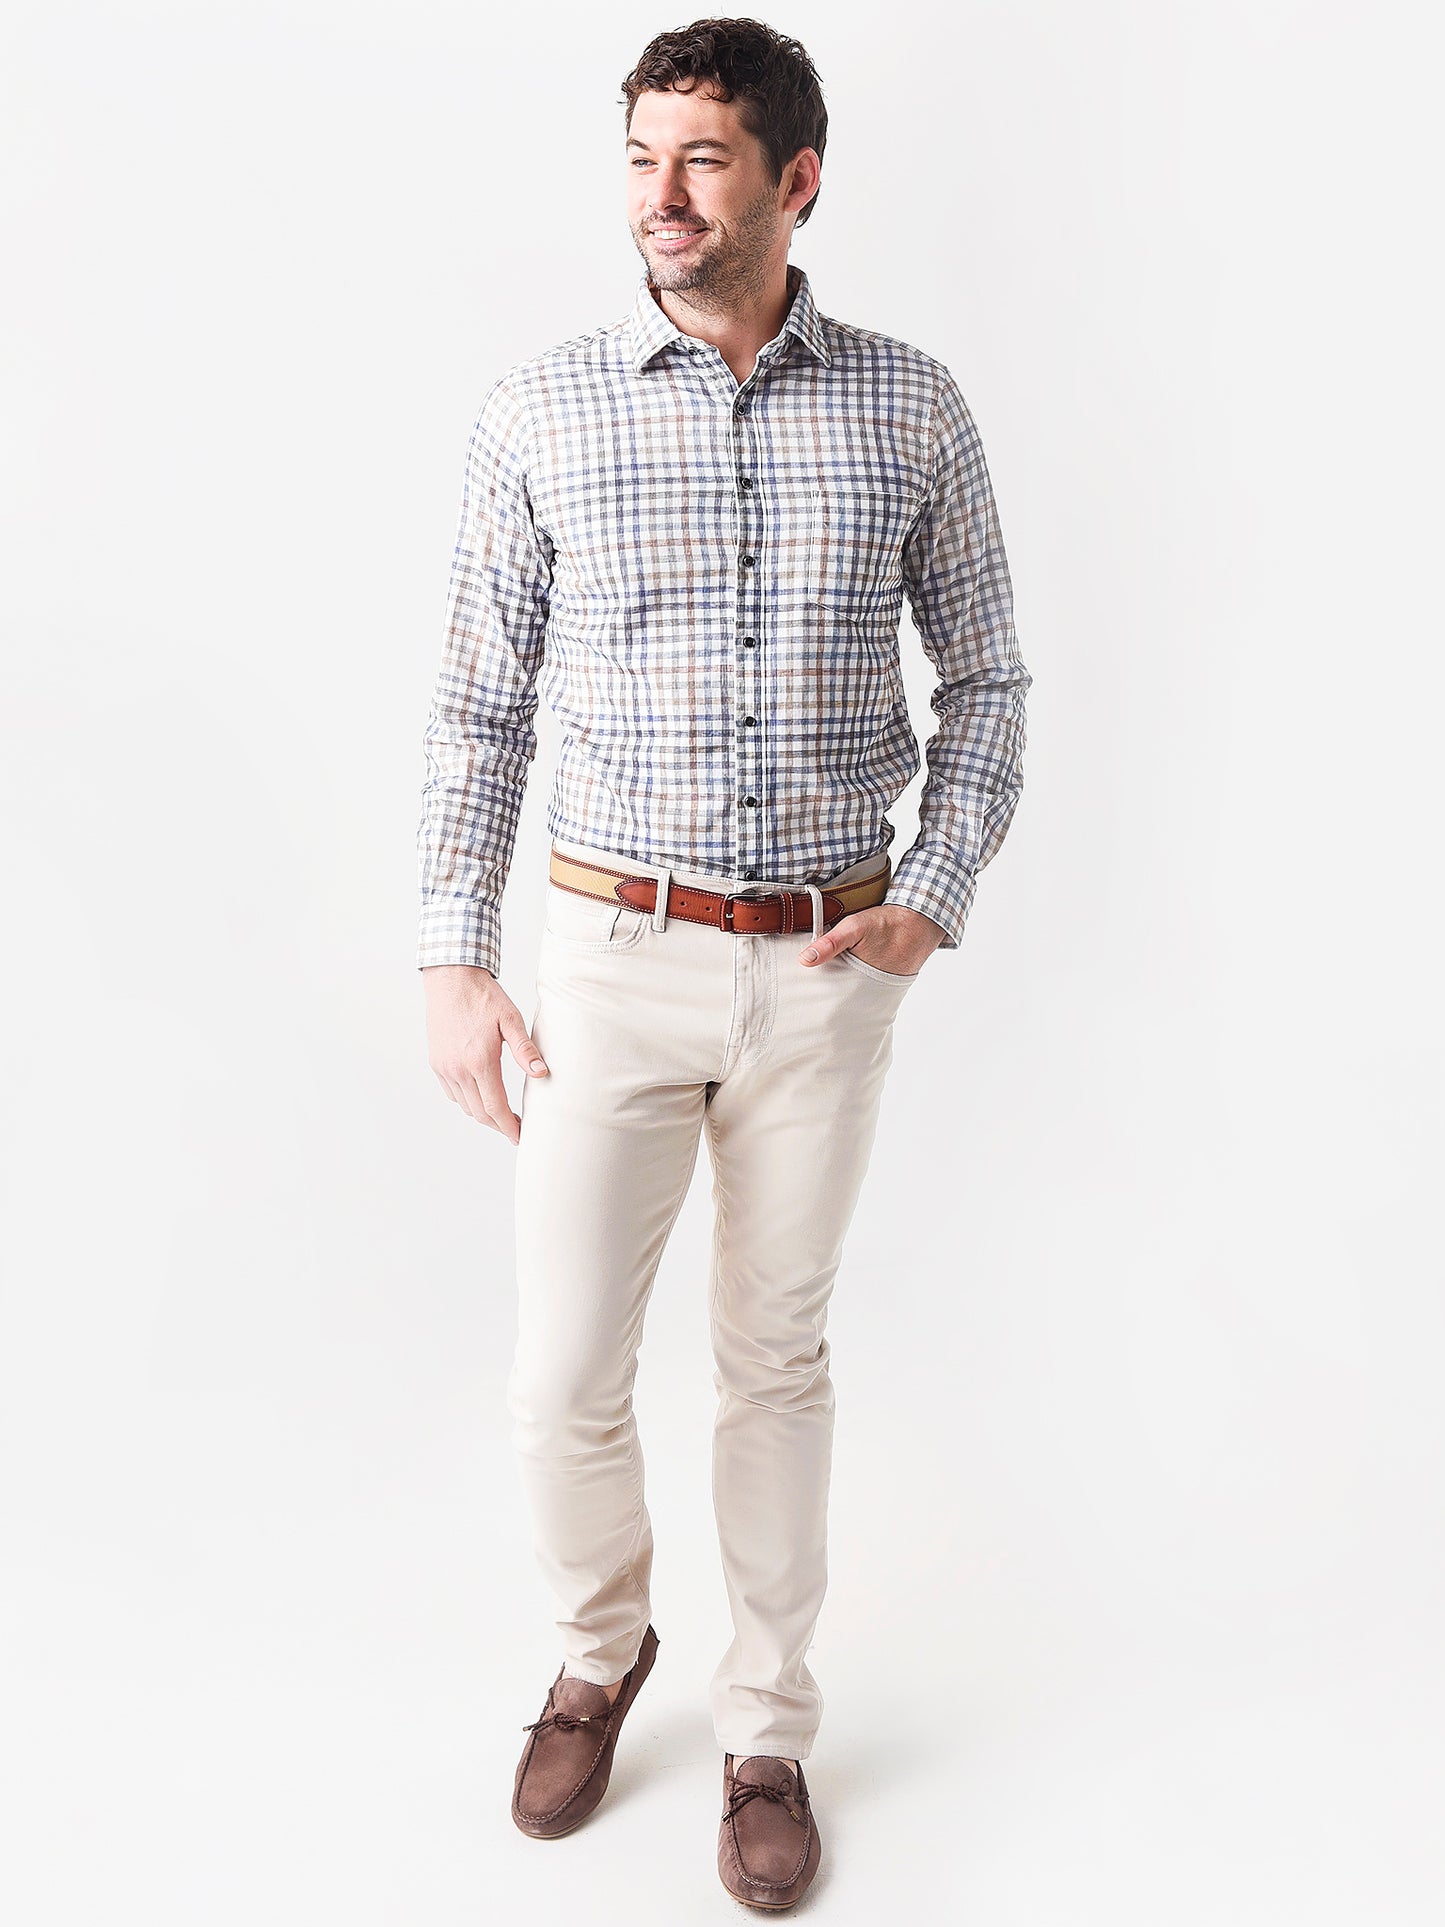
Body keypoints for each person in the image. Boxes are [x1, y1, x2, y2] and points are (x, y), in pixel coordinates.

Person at [416, 18, 1031, 1909]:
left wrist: (935, 890)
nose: (659, 197)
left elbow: (988, 683)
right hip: (611, 956)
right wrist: (453, 955)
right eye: (638, 156)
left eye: (698, 159)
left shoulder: (910, 408)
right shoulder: (540, 411)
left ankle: (765, 1730)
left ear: (794, 180)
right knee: (559, 1376)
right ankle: (599, 1657)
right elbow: (475, 708)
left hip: (825, 966)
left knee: (773, 1360)